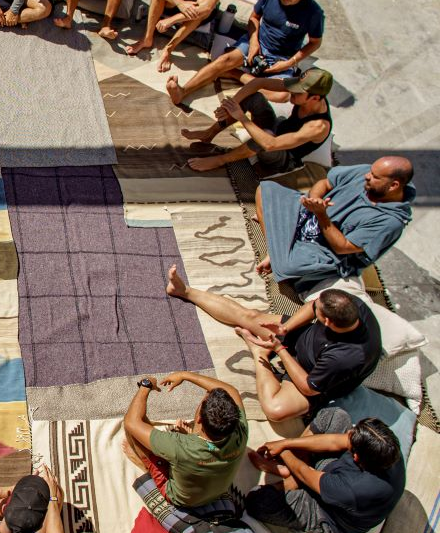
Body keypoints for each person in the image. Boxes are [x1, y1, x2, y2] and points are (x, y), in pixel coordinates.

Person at [165, 267, 382, 422]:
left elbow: (309, 387)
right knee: (249, 316)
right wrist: (285, 329)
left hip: (311, 377)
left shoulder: (347, 357)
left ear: (328, 322)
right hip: (302, 339)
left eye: (320, 315)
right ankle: (184, 291)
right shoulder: (348, 305)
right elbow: (313, 306)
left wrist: (278, 349)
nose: (315, 310)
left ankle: (259, 354)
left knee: (275, 410)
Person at [167, 0, 324, 107]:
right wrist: (254, 41)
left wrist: (290, 62)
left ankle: (235, 74)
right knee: (223, 60)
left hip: (283, 57)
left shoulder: (314, 12)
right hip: (258, 42)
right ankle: (183, 91)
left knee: (282, 95)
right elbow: (254, 18)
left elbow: (315, 42)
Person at [255, 158, 415, 288]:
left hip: (322, 249)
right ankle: (275, 250)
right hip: (309, 214)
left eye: (375, 177)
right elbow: (324, 183)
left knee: (287, 268)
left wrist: (321, 215)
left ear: (393, 186)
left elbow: (342, 247)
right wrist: (315, 199)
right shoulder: (367, 173)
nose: (367, 176)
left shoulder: (390, 222)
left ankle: (278, 242)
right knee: (265, 189)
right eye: (371, 172)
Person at [246, 410, 404, 533]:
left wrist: (284, 451)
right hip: (335, 474)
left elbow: (305, 473)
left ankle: (290, 479)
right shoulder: (386, 448)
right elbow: (336, 442)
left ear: (356, 457)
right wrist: (286, 443)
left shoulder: (355, 489)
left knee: (257, 501)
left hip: (329, 512)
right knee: (336, 416)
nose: (349, 432)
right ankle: (293, 471)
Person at [122, 371, 247, 508]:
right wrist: (185, 375)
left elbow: (132, 422)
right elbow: (230, 390)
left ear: (198, 419)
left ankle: (145, 465)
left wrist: (146, 386)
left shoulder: (180, 446)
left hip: (182, 499)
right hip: (216, 491)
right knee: (212, 392)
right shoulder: (241, 429)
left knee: (134, 432)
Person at [180, 68, 333, 173]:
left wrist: (241, 117)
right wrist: (230, 106)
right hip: (277, 130)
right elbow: (258, 83)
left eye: (298, 92)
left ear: (315, 98)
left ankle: (220, 160)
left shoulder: (318, 126)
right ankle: (209, 134)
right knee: (254, 97)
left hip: (283, 158)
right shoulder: (305, 91)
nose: (291, 91)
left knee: (265, 135)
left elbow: (270, 144)